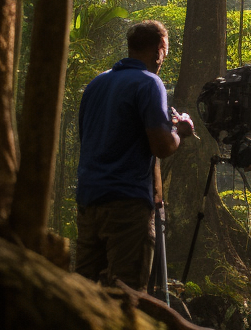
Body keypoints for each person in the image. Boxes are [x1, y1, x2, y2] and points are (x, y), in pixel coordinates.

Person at [75, 20, 195, 289]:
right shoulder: (150, 83)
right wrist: (181, 132)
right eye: (165, 51)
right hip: (127, 206)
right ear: (159, 50)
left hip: (89, 201)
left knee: (84, 292)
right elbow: (162, 147)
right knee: (126, 295)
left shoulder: (97, 84)